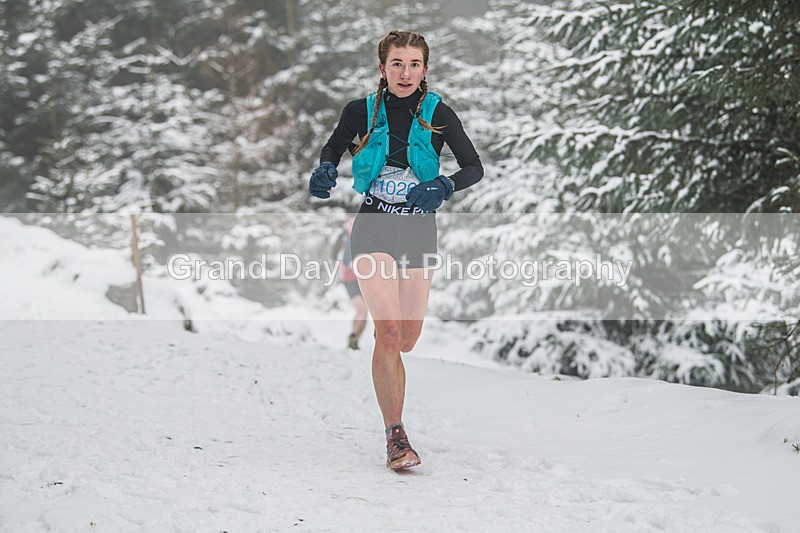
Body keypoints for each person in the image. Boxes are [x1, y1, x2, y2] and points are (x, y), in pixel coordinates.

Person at [309, 30, 483, 470]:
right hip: (373, 228)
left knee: (406, 338)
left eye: (414, 65)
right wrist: (326, 168)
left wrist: (443, 185)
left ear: (425, 69)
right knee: (386, 332)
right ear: (382, 68)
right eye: (397, 64)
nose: (405, 73)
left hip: (418, 233)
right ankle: (395, 436)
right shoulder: (361, 113)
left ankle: (395, 421)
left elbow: (473, 167)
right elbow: (334, 146)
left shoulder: (437, 114)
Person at [331, 214, 368, 350]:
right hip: (349, 277)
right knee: (362, 310)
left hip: (365, 277)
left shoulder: (365, 233)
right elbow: (333, 254)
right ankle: (353, 337)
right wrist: (340, 265)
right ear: (348, 219)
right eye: (351, 218)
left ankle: (355, 340)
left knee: (365, 313)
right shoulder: (343, 235)